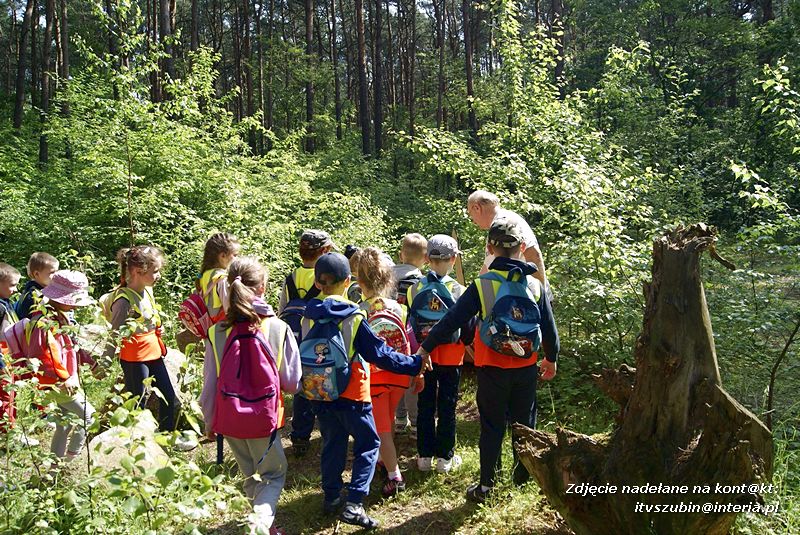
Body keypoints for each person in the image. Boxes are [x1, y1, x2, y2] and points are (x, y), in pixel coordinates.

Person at [415, 217, 559, 503]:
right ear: (521, 248)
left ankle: (487, 486)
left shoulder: (482, 285)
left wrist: (425, 349)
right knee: (524, 425)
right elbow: (549, 327)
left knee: (491, 427)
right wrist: (551, 358)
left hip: (491, 367)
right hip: (526, 367)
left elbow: (452, 320)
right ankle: (522, 480)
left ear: (490, 248)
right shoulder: (534, 284)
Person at [300, 252, 430, 528]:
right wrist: (414, 363)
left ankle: (332, 497)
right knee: (369, 443)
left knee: (332, 442)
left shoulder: (307, 315)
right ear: (348, 281)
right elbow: (380, 354)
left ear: (318, 282)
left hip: (321, 390)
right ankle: (355, 504)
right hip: (353, 392)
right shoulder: (353, 316)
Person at [200, 257, 301, 534]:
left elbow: (209, 386)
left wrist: (209, 421)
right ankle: (259, 526)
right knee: (273, 475)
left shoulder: (216, 332)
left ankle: (265, 526)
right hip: (263, 418)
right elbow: (292, 382)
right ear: (263, 287)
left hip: (229, 418)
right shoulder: (276, 328)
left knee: (251, 476)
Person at [4, 270, 97, 459]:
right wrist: (63, 378)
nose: (76, 306)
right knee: (89, 417)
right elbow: (41, 355)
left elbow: (71, 346)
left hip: (61, 381)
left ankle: (55, 468)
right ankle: (72, 459)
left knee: (64, 425)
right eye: (73, 300)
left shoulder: (60, 316)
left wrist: (92, 363)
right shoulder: (43, 322)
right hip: (57, 383)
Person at [356, 247, 423, 496]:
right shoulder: (399, 308)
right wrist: (418, 371)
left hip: (374, 376)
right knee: (388, 419)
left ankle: (395, 477)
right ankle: (385, 460)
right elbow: (411, 341)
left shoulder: (359, 311)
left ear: (359, 281)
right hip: (400, 373)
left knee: (381, 428)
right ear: (388, 280)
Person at [407, 235, 471, 474]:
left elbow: (410, 323)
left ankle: (424, 456)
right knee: (447, 405)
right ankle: (445, 458)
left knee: (425, 404)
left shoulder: (415, 289)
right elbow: (468, 328)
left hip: (424, 356)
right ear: (453, 259)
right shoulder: (460, 290)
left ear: (426, 259)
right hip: (452, 357)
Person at [104, 246, 182, 437]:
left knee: (168, 395)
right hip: (134, 358)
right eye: (155, 271)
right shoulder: (123, 301)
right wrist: (104, 362)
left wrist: (156, 327)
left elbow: (148, 318)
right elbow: (114, 334)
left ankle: (165, 436)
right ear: (138, 272)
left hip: (154, 352)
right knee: (137, 400)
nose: (158, 275)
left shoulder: (147, 291)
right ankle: (135, 439)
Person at [279, 229, 335, 457]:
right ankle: (328, 432)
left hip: (294, 340)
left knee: (301, 388)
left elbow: (282, 310)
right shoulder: (326, 277)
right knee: (323, 384)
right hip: (319, 340)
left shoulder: (291, 278)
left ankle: (300, 437)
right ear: (324, 251)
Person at [466, 190, 549, 289]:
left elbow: (534, 255)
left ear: (477, 208)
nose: (473, 221)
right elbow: (487, 267)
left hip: (527, 294)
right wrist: (474, 290)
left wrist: (541, 294)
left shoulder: (508, 222)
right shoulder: (498, 226)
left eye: (470, 214)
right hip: (515, 292)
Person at [393, 233, 427, 437]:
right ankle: (415, 423)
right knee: (414, 377)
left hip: (390, 336)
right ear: (426, 259)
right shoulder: (422, 282)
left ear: (401, 255)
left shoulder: (387, 278)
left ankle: (399, 418)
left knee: (395, 373)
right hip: (414, 337)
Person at [197, 232, 241, 326]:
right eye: (235, 255)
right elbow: (228, 309)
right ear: (223, 256)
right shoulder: (222, 279)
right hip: (221, 327)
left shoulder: (203, 275)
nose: (237, 259)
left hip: (208, 326)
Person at [0, 263, 21, 432]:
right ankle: (7, 432)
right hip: (2, 358)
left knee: (11, 392)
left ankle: (11, 428)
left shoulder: (7, 302)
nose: (15, 289)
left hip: (9, 355)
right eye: (12, 285)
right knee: (6, 394)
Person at [16, 252, 59, 320]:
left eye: (57, 272)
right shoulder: (32, 296)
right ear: (36, 274)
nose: (57, 275)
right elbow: (26, 320)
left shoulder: (47, 291)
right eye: (52, 272)